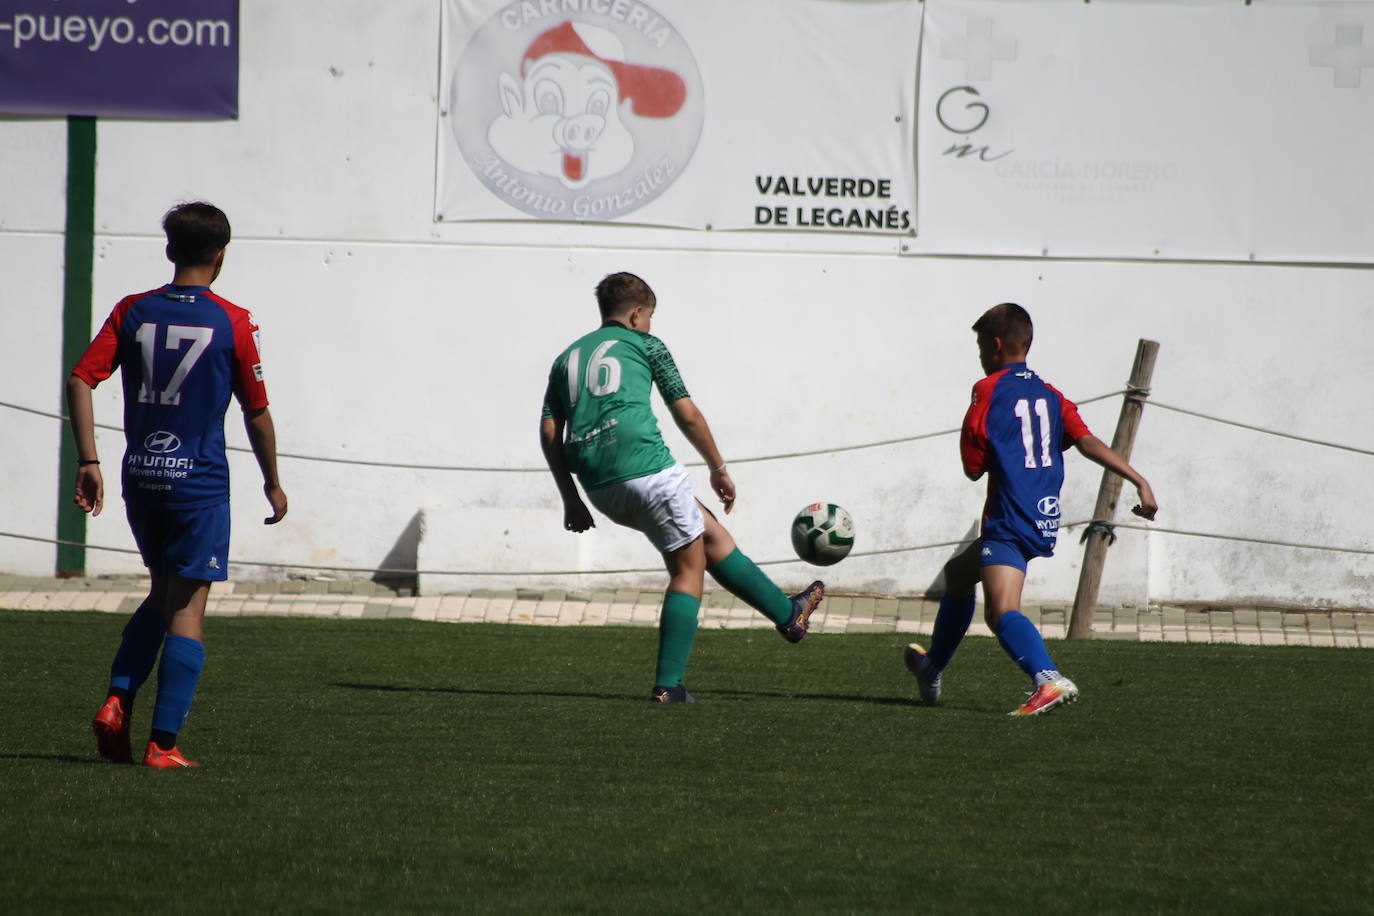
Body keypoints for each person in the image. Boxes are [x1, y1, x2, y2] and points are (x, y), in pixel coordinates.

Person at [68, 201, 288, 767]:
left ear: (170, 251)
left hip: (140, 477)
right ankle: (163, 745)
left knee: (162, 594)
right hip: (199, 484)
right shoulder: (232, 321)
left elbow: (81, 378)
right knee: (188, 607)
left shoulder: (133, 310)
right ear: (221, 256)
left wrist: (87, 461)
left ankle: (117, 701)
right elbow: (256, 411)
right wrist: (273, 482)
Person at [540, 272, 824, 703]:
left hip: (599, 486)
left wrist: (571, 498)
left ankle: (789, 615)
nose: (651, 324)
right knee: (688, 570)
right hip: (649, 469)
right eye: (651, 315)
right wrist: (718, 467)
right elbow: (686, 414)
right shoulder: (648, 345)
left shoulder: (566, 358)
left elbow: (548, 431)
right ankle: (668, 686)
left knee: (710, 535)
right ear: (637, 314)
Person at [905, 302, 1158, 716]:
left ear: (997, 345)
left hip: (1010, 512)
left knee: (1001, 611)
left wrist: (978, 433)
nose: (981, 356)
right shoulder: (1050, 393)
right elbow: (1087, 440)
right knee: (958, 574)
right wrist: (1139, 479)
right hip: (1041, 512)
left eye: (981, 346)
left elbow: (972, 467)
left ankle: (1048, 679)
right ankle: (932, 667)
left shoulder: (987, 389)